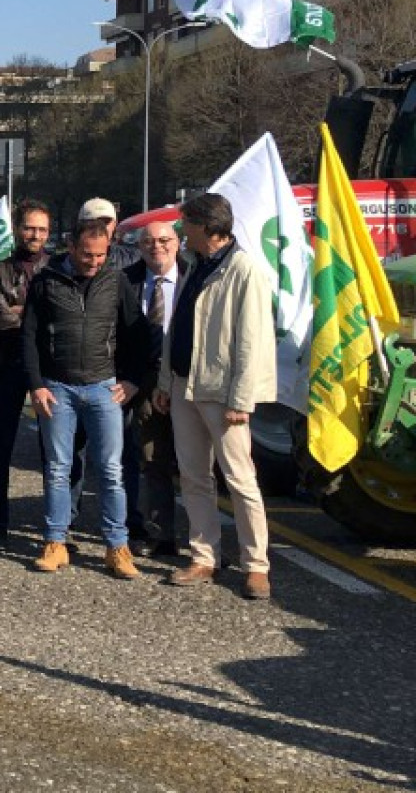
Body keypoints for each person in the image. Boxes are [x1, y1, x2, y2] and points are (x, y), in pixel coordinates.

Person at [156, 193, 276, 600]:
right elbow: (178, 327)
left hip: (222, 392)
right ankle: (204, 556)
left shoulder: (244, 271)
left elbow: (251, 341)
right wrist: (163, 381)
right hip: (184, 383)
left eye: (185, 222)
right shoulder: (196, 266)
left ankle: (256, 565)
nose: (180, 230)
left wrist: (242, 399)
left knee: (240, 479)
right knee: (193, 476)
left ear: (206, 226)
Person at [20, 221, 145, 579]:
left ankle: (117, 546)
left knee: (110, 470)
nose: (94, 262)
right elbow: (29, 336)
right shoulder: (46, 281)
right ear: (72, 248)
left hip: (103, 387)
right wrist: (36, 384)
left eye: (101, 255)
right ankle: (55, 541)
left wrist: (134, 381)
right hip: (58, 388)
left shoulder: (116, 281)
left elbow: (136, 334)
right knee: (59, 468)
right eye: (87, 255)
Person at [0, 199, 52, 546]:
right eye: (29, 228)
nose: (35, 235)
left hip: (50, 369)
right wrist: (38, 317)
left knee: (53, 449)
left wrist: (27, 312)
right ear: (18, 230)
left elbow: (61, 322)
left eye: (41, 230)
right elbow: (3, 319)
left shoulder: (58, 269)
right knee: (2, 445)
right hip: (9, 364)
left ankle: (57, 525)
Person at [126, 220, 186, 558]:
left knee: (196, 467)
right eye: (148, 241)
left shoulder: (196, 278)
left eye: (164, 240)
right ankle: (162, 535)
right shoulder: (127, 281)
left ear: (177, 243)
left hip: (187, 383)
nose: (157, 247)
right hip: (146, 385)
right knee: (153, 461)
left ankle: (205, 542)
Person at [76, 198, 141, 272]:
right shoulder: (64, 265)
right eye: (94, 222)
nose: (100, 227)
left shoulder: (134, 259)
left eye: (105, 222)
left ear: (115, 224)